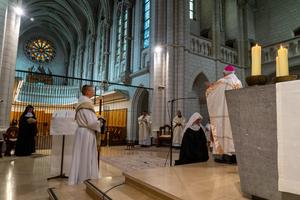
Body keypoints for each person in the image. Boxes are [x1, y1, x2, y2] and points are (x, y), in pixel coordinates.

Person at [206, 65, 242, 164]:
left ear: (225, 73)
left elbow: (210, 92)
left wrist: (209, 87)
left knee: (223, 132)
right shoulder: (238, 82)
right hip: (234, 114)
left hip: (222, 113)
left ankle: (226, 156)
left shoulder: (221, 82)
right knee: (232, 134)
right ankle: (234, 156)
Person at [69, 85, 102, 185]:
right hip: (87, 133)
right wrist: (100, 121)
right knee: (86, 155)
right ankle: (85, 177)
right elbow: (91, 123)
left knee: (80, 154)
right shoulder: (87, 104)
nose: (93, 92)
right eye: (92, 90)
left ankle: (78, 176)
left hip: (80, 132)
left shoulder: (81, 103)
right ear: (87, 92)